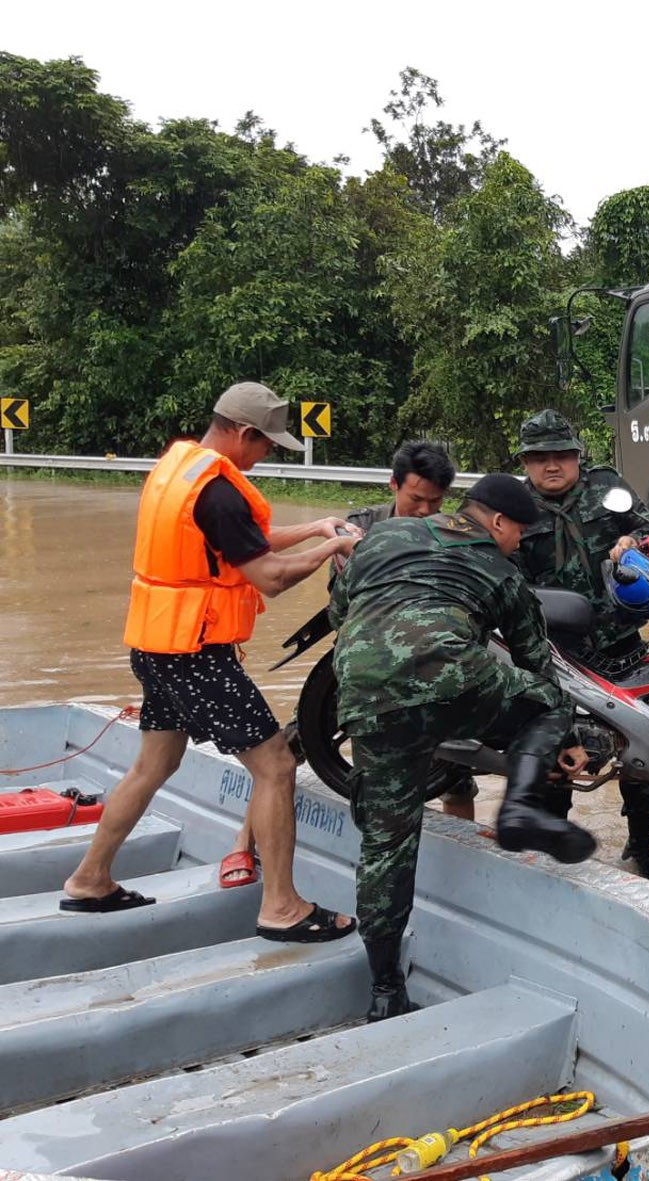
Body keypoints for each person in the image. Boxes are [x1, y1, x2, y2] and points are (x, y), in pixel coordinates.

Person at [62, 381, 359, 946]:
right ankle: (282, 907)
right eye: (267, 445)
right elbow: (268, 576)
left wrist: (317, 528)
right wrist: (332, 550)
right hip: (195, 653)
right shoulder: (219, 491)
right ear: (244, 433)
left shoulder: (182, 469)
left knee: (154, 764)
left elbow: (243, 543)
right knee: (274, 765)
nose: (267, 455)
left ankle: (90, 879)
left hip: (156, 642)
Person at [330, 474, 592, 1020]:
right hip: (453, 677)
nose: (521, 541)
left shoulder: (384, 535)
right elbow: (534, 661)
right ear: (497, 522)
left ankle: (384, 989)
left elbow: (339, 613)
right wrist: (559, 741)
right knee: (549, 703)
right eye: (519, 530)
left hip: (361, 690)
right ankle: (519, 808)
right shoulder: (502, 570)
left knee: (385, 846)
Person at [511, 409, 649, 883]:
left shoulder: (608, 488)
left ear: (578, 456)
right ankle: (554, 851)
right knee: (554, 751)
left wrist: (632, 540)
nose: (551, 466)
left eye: (561, 455)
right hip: (552, 653)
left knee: (639, 747)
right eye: (539, 458)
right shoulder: (514, 505)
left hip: (619, 641)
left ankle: (641, 847)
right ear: (526, 462)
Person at [343, 440, 476, 821]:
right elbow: (339, 603)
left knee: (456, 776)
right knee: (292, 747)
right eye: (416, 498)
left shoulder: (452, 536)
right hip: (367, 675)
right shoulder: (361, 527)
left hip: (433, 672)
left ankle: (464, 858)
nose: (424, 511)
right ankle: (245, 842)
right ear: (393, 485)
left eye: (435, 502)